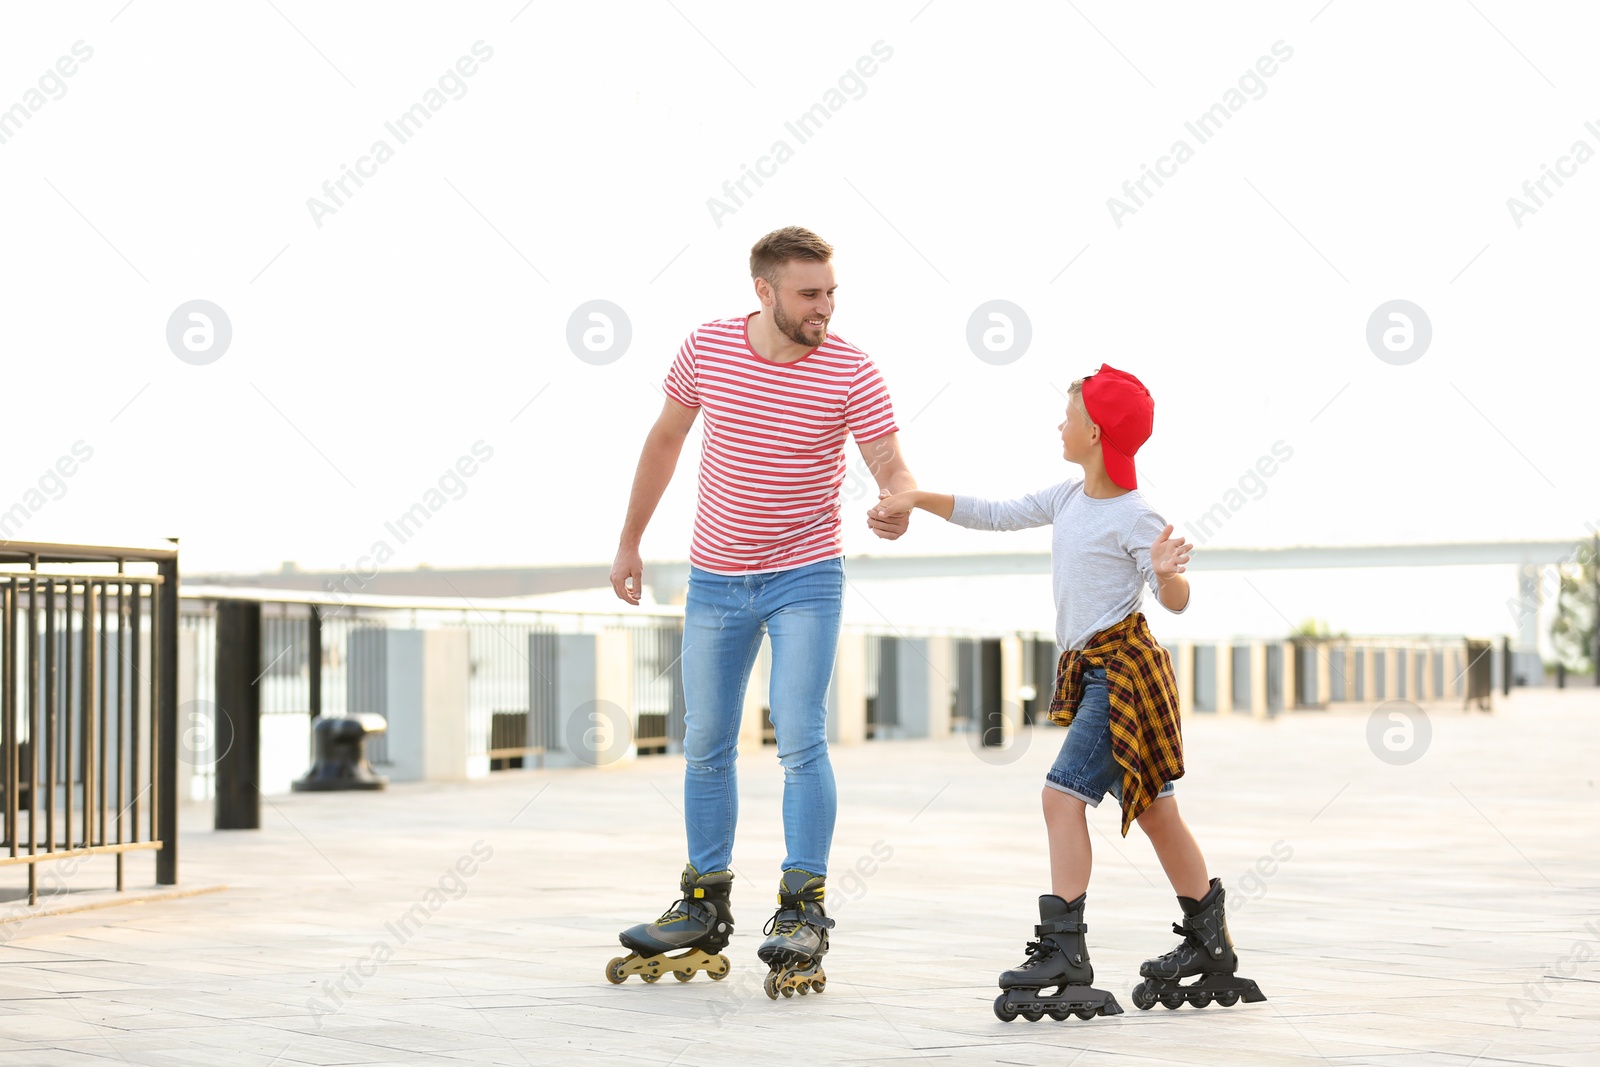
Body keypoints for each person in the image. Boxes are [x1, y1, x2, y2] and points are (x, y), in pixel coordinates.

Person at [871, 365, 1265, 1021]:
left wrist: (1167, 576)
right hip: (1097, 675)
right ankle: (1208, 941)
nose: (1059, 422)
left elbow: (1176, 599)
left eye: (1069, 412)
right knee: (1157, 811)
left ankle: (1064, 950)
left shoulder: (1139, 515)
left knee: (1061, 794)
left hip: (1124, 675)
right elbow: (993, 514)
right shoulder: (1068, 496)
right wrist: (917, 499)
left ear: (1095, 430)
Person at [604, 226, 916, 1000]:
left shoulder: (852, 368)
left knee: (799, 732)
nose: (826, 308)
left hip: (806, 575)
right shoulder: (708, 348)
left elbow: (889, 461)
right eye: (810, 294)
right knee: (706, 739)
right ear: (764, 290)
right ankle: (703, 902)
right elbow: (667, 440)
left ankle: (802, 906)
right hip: (714, 578)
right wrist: (630, 543)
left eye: (832, 293)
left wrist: (896, 503)